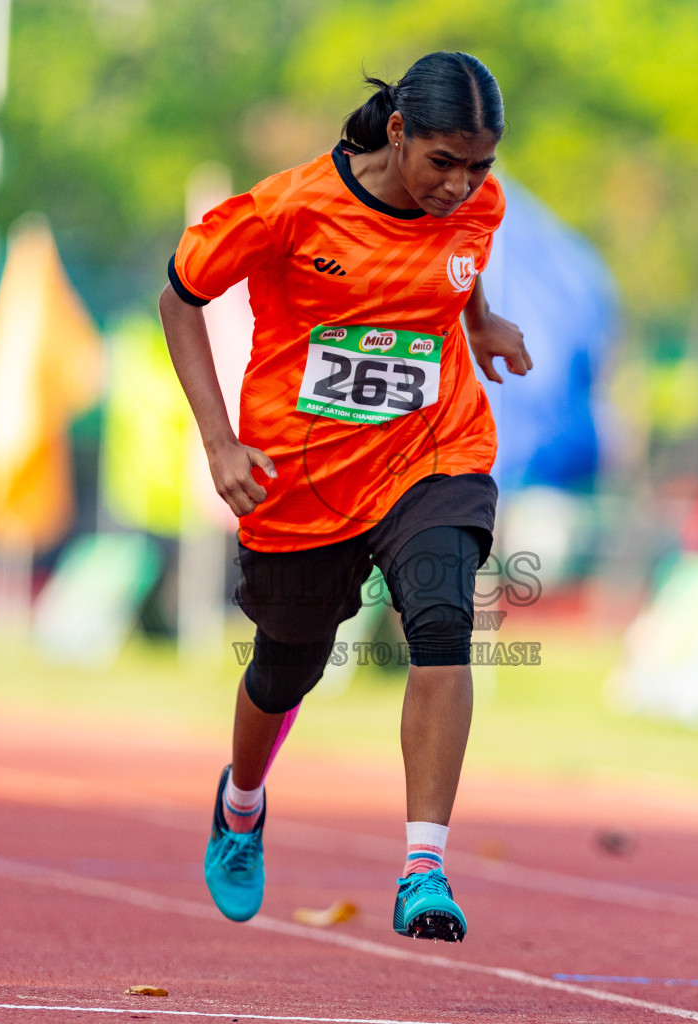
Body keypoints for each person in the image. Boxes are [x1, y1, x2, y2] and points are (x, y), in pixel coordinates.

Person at [160, 51, 530, 942]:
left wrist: (478, 325)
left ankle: (423, 869)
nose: (462, 185)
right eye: (444, 162)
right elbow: (180, 297)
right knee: (288, 665)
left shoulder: (479, 203)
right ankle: (242, 803)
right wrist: (218, 441)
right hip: (302, 475)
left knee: (443, 621)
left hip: (431, 450)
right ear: (398, 133)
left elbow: (459, 261)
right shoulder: (289, 208)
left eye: (479, 166)